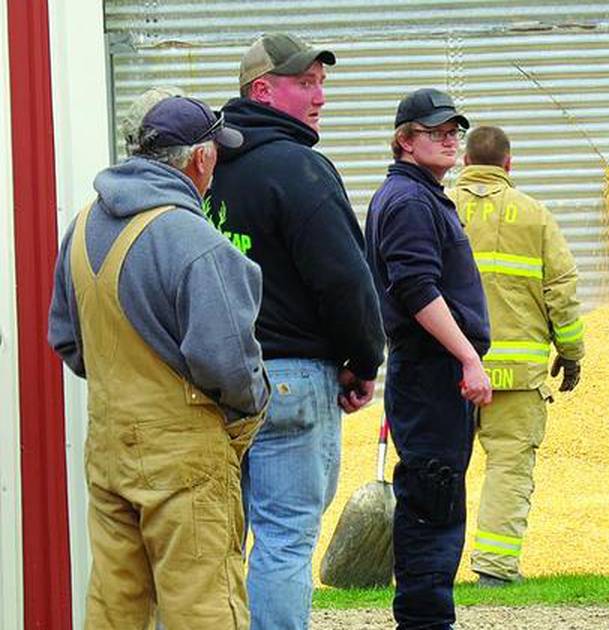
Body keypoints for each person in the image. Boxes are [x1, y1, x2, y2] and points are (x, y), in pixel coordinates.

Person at [48, 95, 267, 628]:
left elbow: (67, 339)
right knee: (204, 604)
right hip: (184, 457)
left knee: (115, 605)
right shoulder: (195, 242)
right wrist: (253, 405)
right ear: (201, 159)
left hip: (109, 448)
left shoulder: (81, 227)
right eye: (215, 151)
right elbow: (230, 368)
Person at [206, 32, 386, 629]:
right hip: (290, 383)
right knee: (284, 540)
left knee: (216, 544)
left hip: (214, 383)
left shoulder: (203, 172)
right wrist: (364, 360)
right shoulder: (299, 168)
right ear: (262, 91)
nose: (320, 97)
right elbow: (345, 280)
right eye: (305, 83)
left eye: (322, 84)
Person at [365, 88, 492, 629]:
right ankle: (424, 621)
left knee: (435, 495)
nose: (450, 139)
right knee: (432, 497)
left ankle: (428, 618)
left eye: (454, 131)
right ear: (404, 140)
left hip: (429, 371)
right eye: (435, 131)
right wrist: (468, 357)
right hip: (429, 371)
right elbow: (416, 288)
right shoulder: (410, 202)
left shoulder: (419, 195)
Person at [446, 125, 585, 587]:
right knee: (508, 469)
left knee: (440, 469)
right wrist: (571, 352)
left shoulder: (438, 207)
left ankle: (432, 567)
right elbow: (561, 291)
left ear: (466, 162)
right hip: (518, 377)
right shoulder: (535, 216)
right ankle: (495, 567)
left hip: (448, 372)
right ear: (508, 165)